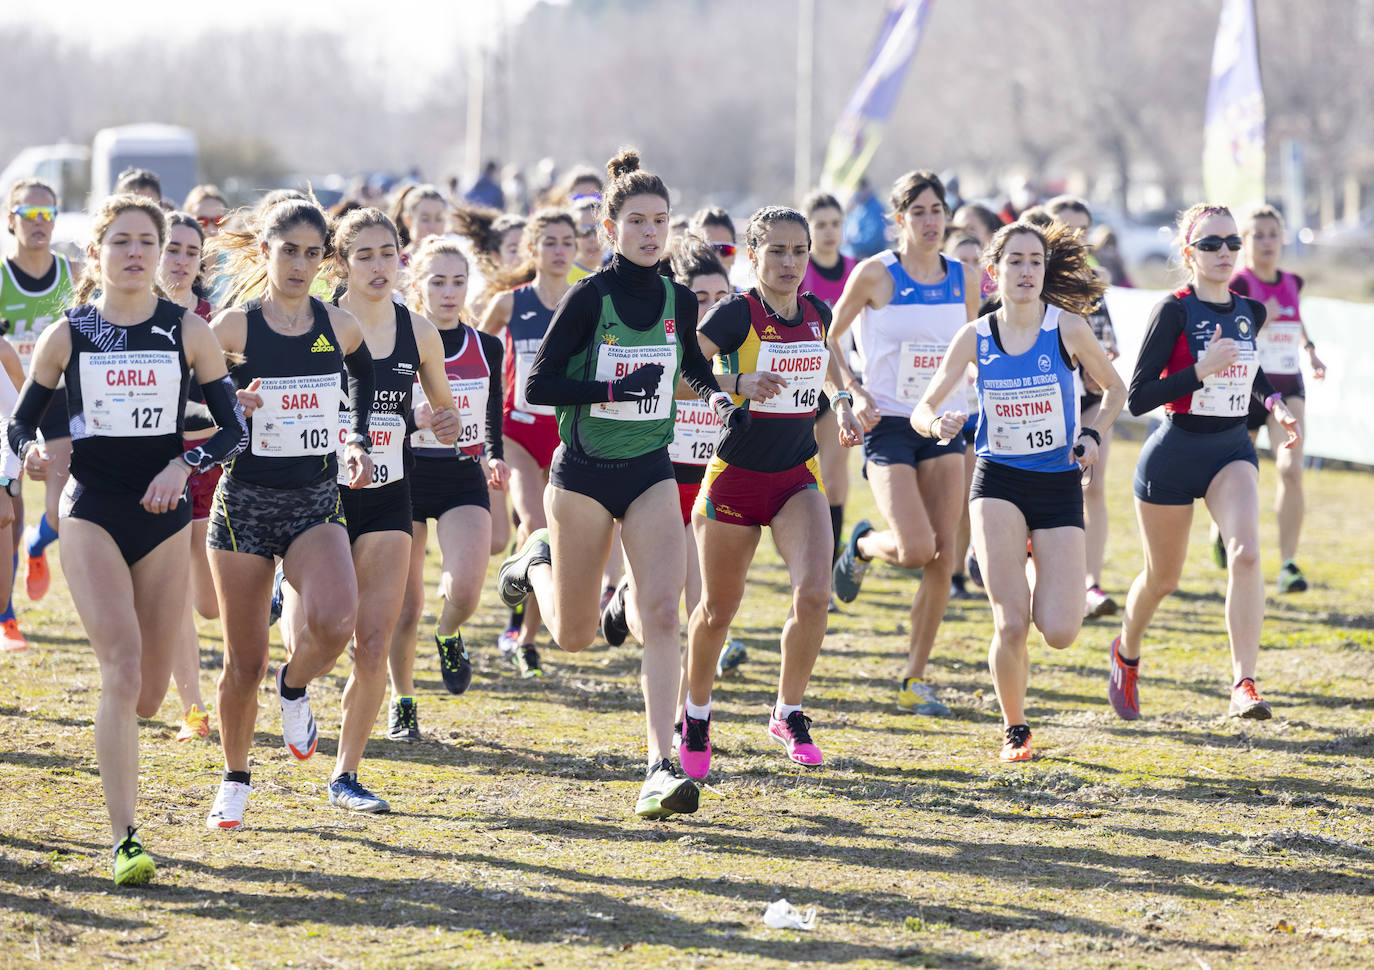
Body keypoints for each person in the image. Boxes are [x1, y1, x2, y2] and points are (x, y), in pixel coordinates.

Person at [7, 194, 246, 883]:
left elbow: (231, 430)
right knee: (118, 667)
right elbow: (23, 423)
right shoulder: (69, 334)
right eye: (121, 241)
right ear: (97, 254)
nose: (137, 252)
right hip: (92, 513)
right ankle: (125, 838)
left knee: (145, 694)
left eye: (148, 240)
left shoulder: (187, 331)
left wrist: (183, 463)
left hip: (164, 517)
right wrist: (29, 452)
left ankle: (129, 781)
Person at [497, 148, 743, 819]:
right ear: (610, 230)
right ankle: (534, 559)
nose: (650, 232)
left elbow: (690, 359)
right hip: (580, 478)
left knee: (665, 613)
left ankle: (659, 765)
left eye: (660, 220)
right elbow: (539, 384)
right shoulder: (589, 297)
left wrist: (716, 397)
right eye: (637, 221)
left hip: (648, 470)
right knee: (573, 636)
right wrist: (609, 386)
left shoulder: (672, 296)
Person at [912, 219, 1124, 761]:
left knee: (1059, 630)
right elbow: (922, 407)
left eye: (1035, 261)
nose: (1026, 271)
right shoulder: (976, 337)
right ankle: (1015, 727)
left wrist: (1093, 434)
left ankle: (1033, 562)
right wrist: (936, 424)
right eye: (1015, 261)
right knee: (1010, 622)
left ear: (1044, 270)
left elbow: (1115, 389)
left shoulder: (1068, 329)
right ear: (993, 274)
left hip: (1056, 483)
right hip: (997, 480)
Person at [202, 198, 379, 830]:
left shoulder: (341, 324)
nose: (300, 265)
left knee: (335, 621)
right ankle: (235, 779)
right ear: (265, 253)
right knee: (242, 664)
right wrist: (231, 403)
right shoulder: (232, 329)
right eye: (289, 252)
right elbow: (188, 403)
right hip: (243, 508)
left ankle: (296, 686)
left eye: (312, 254)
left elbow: (362, 378)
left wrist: (354, 437)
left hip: (314, 502)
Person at [277, 207, 461, 812]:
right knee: (315, 639)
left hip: (388, 494)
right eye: (365, 256)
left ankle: (345, 774)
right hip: (316, 496)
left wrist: (443, 419)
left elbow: (442, 410)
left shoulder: (420, 333)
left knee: (374, 641)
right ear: (341, 263)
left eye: (389, 254)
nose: (380, 267)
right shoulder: (313, 324)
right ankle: (294, 682)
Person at [678, 206, 863, 779]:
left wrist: (839, 401)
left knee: (814, 595)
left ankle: (788, 711)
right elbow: (682, 373)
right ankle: (696, 714)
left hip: (795, 476)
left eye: (799, 251)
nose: (789, 262)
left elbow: (824, 359)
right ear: (752, 255)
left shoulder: (817, 311)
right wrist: (735, 383)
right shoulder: (737, 313)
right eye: (776, 251)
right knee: (717, 611)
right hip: (733, 478)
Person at [1112, 203, 1300, 723]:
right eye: (1211, 243)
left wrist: (1273, 402)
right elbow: (1139, 397)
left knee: (1244, 554)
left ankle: (1243, 682)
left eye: (1231, 243)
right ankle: (1126, 650)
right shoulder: (1172, 311)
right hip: (1172, 454)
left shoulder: (1249, 311)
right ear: (1187, 252)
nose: (1224, 252)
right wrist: (1199, 370)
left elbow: (1251, 370)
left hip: (1230, 450)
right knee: (1162, 579)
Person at [828, 171, 981, 716]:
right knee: (915, 549)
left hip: (941, 423)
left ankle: (915, 677)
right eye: (919, 211)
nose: (931, 220)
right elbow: (827, 339)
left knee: (944, 556)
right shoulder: (875, 274)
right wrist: (851, 392)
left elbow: (972, 346)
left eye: (938, 209)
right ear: (899, 220)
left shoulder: (965, 278)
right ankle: (864, 545)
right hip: (889, 423)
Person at [388, 237, 508, 739]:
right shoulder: (398, 342)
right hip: (408, 476)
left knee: (464, 590)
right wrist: (411, 416)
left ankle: (449, 634)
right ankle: (403, 701)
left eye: (458, 281)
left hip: (463, 476)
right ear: (417, 286)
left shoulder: (487, 346)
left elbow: (491, 412)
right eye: (437, 281)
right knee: (405, 602)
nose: (449, 291)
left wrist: (495, 455)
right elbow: (370, 408)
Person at [479, 209, 577, 677]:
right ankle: (522, 613)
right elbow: (472, 361)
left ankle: (526, 635)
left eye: (567, 242)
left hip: (564, 435)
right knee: (536, 523)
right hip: (515, 431)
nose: (559, 251)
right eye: (550, 242)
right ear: (533, 248)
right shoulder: (508, 303)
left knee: (550, 537)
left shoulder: (586, 301)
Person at [1229, 204, 1325, 594]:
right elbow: (1227, 328)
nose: (1267, 242)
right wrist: (1256, 316)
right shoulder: (1241, 283)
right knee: (1241, 477)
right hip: (1249, 388)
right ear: (1245, 242)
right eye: (1259, 235)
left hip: (1288, 384)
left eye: (1273, 234)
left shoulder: (1292, 281)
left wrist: (1311, 348)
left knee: (1291, 468)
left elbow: (1295, 316)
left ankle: (1288, 564)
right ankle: (1227, 536)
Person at [3, 178, 76, 650]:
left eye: (47, 214)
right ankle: (6, 615)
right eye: (29, 215)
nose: (40, 223)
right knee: (6, 512)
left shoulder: (72, 274)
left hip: (59, 399)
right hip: (9, 400)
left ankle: (37, 544)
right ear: (11, 220)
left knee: (59, 505)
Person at [1044, 196, 1123, 619]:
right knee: (1052, 486)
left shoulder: (1093, 281)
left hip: (1090, 400)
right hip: (1042, 400)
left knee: (1093, 484)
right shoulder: (1032, 278)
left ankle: (1091, 582)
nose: (1074, 236)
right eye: (1064, 227)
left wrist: (1099, 368)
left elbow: (1108, 343)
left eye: (1081, 229)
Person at [156, 212, 218, 741]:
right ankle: (193, 709)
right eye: (171, 249)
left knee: (210, 603)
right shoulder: (127, 319)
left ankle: (267, 595)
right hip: (151, 470)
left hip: (208, 466)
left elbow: (225, 405)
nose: (179, 261)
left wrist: (235, 404)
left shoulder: (212, 320)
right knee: (175, 592)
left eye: (189, 253)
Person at [800, 191, 859, 579]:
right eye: (820, 224)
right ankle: (803, 560)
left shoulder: (857, 269)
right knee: (801, 479)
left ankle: (829, 570)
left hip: (838, 384)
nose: (828, 232)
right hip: (799, 383)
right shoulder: (797, 268)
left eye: (835, 223)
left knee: (835, 482)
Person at [940, 231, 984, 601]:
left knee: (968, 498)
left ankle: (957, 572)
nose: (970, 267)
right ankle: (942, 565)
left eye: (976, 260)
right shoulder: (941, 307)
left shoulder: (996, 313)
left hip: (978, 417)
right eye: (962, 261)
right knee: (947, 502)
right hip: (939, 414)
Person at [389, 184, 448, 263]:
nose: (432, 226)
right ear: (408, 220)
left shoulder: (456, 262)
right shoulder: (397, 265)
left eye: (438, 219)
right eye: (425, 219)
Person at [689, 207, 739, 277]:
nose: (718, 259)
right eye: (709, 249)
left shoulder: (745, 288)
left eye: (727, 249)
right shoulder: (674, 287)